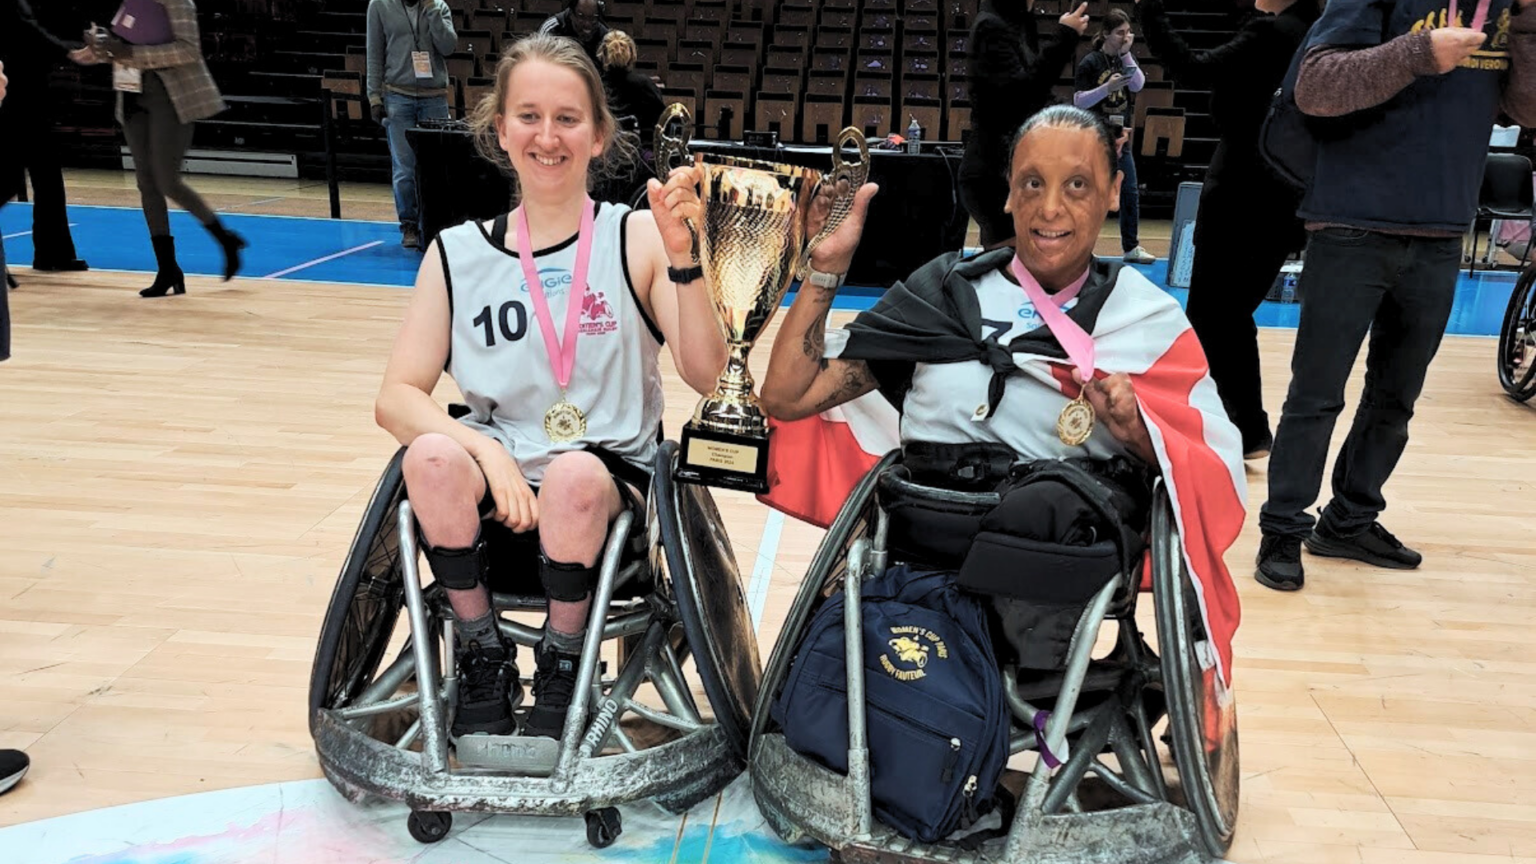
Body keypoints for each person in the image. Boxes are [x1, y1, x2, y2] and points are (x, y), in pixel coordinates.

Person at [759, 103, 1247, 704]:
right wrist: (825, 270)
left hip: (1058, 542)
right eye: (1032, 183)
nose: (1050, 208)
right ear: (1009, 193)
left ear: (1113, 193)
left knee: (1043, 506)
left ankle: (1000, 682)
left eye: (1077, 185)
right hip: (929, 527)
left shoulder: (1144, 320)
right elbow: (787, 395)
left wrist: (1139, 431)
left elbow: (1212, 462)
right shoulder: (943, 292)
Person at [373, 34, 726, 739]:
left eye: (568, 118)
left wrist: (687, 262)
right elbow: (395, 397)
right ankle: (482, 653)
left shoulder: (637, 237)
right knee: (431, 457)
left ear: (599, 136)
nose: (547, 136)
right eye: (529, 116)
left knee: (573, 476)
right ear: (501, 130)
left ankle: (565, 664)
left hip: (607, 493)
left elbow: (710, 375)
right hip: (494, 494)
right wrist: (485, 451)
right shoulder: (456, 254)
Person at [1254, 0, 1536, 591]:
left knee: (1396, 398)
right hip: (1350, 221)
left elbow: (1527, 108)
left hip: (1443, 229)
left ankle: (1349, 521)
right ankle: (1282, 527)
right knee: (1316, 394)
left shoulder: (1506, 11)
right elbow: (1316, 87)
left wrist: (1531, 24)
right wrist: (1419, 53)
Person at [1135, 0, 1320, 459]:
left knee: (1213, 315)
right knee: (1228, 316)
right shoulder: (1312, 31)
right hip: (1286, 198)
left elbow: (1191, 69)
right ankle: (1238, 425)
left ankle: (1234, 426)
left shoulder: (1271, 35)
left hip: (1242, 193)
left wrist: (1151, 13)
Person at [69, 0, 246, 297]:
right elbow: (123, 45)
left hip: (171, 95)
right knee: (146, 183)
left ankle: (224, 238)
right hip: (131, 94)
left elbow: (189, 50)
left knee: (167, 180)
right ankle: (167, 268)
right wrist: (101, 49)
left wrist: (131, 53)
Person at [961, 0, 1090, 250]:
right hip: (995, 172)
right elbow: (1023, 96)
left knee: (1022, 266)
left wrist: (1095, 128)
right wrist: (1065, 38)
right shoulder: (991, 27)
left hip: (1010, 168)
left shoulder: (1017, 25)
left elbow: (1041, 98)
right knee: (1018, 265)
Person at [0, 0, 90, 282]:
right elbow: (26, 31)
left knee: (43, 174)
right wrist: (70, 51)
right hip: (16, 95)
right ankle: (53, 252)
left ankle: (53, 252)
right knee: (24, 177)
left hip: (24, 91)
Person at [366, 0, 456, 250]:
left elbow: (448, 46)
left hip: (434, 97)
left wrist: (433, 11)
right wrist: (374, 96)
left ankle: (437, 224)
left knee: (437, 168)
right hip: (398, 95)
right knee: (405, 167)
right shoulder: (379, 5)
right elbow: (374, 53)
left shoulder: (439, 5)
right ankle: (409, 224)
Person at [1075, 9, 1154, 265]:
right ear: (1106, 33)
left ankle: (1131, 247)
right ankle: (1081, 247)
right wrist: (1106, 88)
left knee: (1129, 191)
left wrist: (1127, 54)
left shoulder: (1125, 60)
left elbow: (1138, 84)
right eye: (1120, 33)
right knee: (1091, 194)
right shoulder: (1091, 62)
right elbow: (1079, 101)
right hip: (1095, 137)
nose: (1125, 37)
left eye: (1129, 32)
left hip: (1120, 138)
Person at [597, 30, 662, 143]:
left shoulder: (595, 86)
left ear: (603, 55)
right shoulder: (644, 85)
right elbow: (662, 120)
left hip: (603, 149)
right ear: (631, 53)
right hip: (639, 150)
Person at [540, 0, 610, 71]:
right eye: (581, 17)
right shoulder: (552, 29)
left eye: (593, 18)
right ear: (571, 14)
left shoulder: (605, 37)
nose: (587, 24)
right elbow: (539, 63)